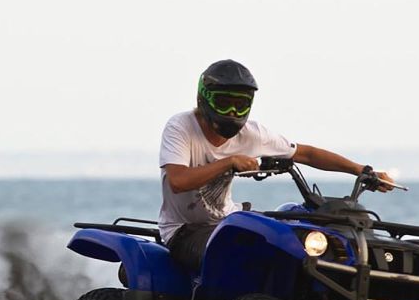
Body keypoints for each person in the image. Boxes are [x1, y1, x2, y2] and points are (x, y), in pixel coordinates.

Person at [158, 59, 395, 272]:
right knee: (241, 254)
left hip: (229, 219)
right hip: (185, 231)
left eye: (239, 105)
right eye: (223, 103)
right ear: (204, 99)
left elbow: (308, 154)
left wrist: (362, 170)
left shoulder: (253, 134)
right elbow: (179, 181)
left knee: (291, 239)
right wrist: (229, 162)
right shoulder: (181, 127)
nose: (232, 112)